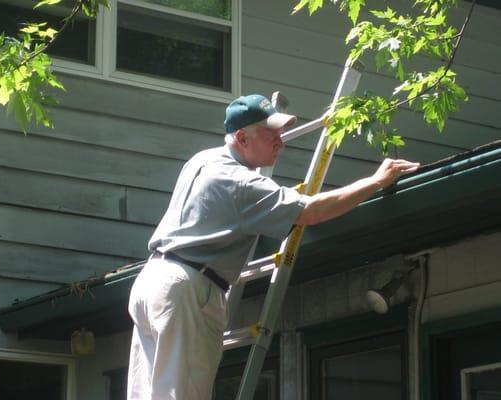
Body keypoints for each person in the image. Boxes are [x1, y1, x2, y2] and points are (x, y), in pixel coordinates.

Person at [127, 94, 419, 400]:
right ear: (242, 138)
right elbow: (312, 211)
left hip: (153, 282)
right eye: (271, 135)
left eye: (280, 134)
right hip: (189, 289)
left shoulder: (202, 160)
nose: (281, 142)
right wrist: (375, 181)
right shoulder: (240, 182)